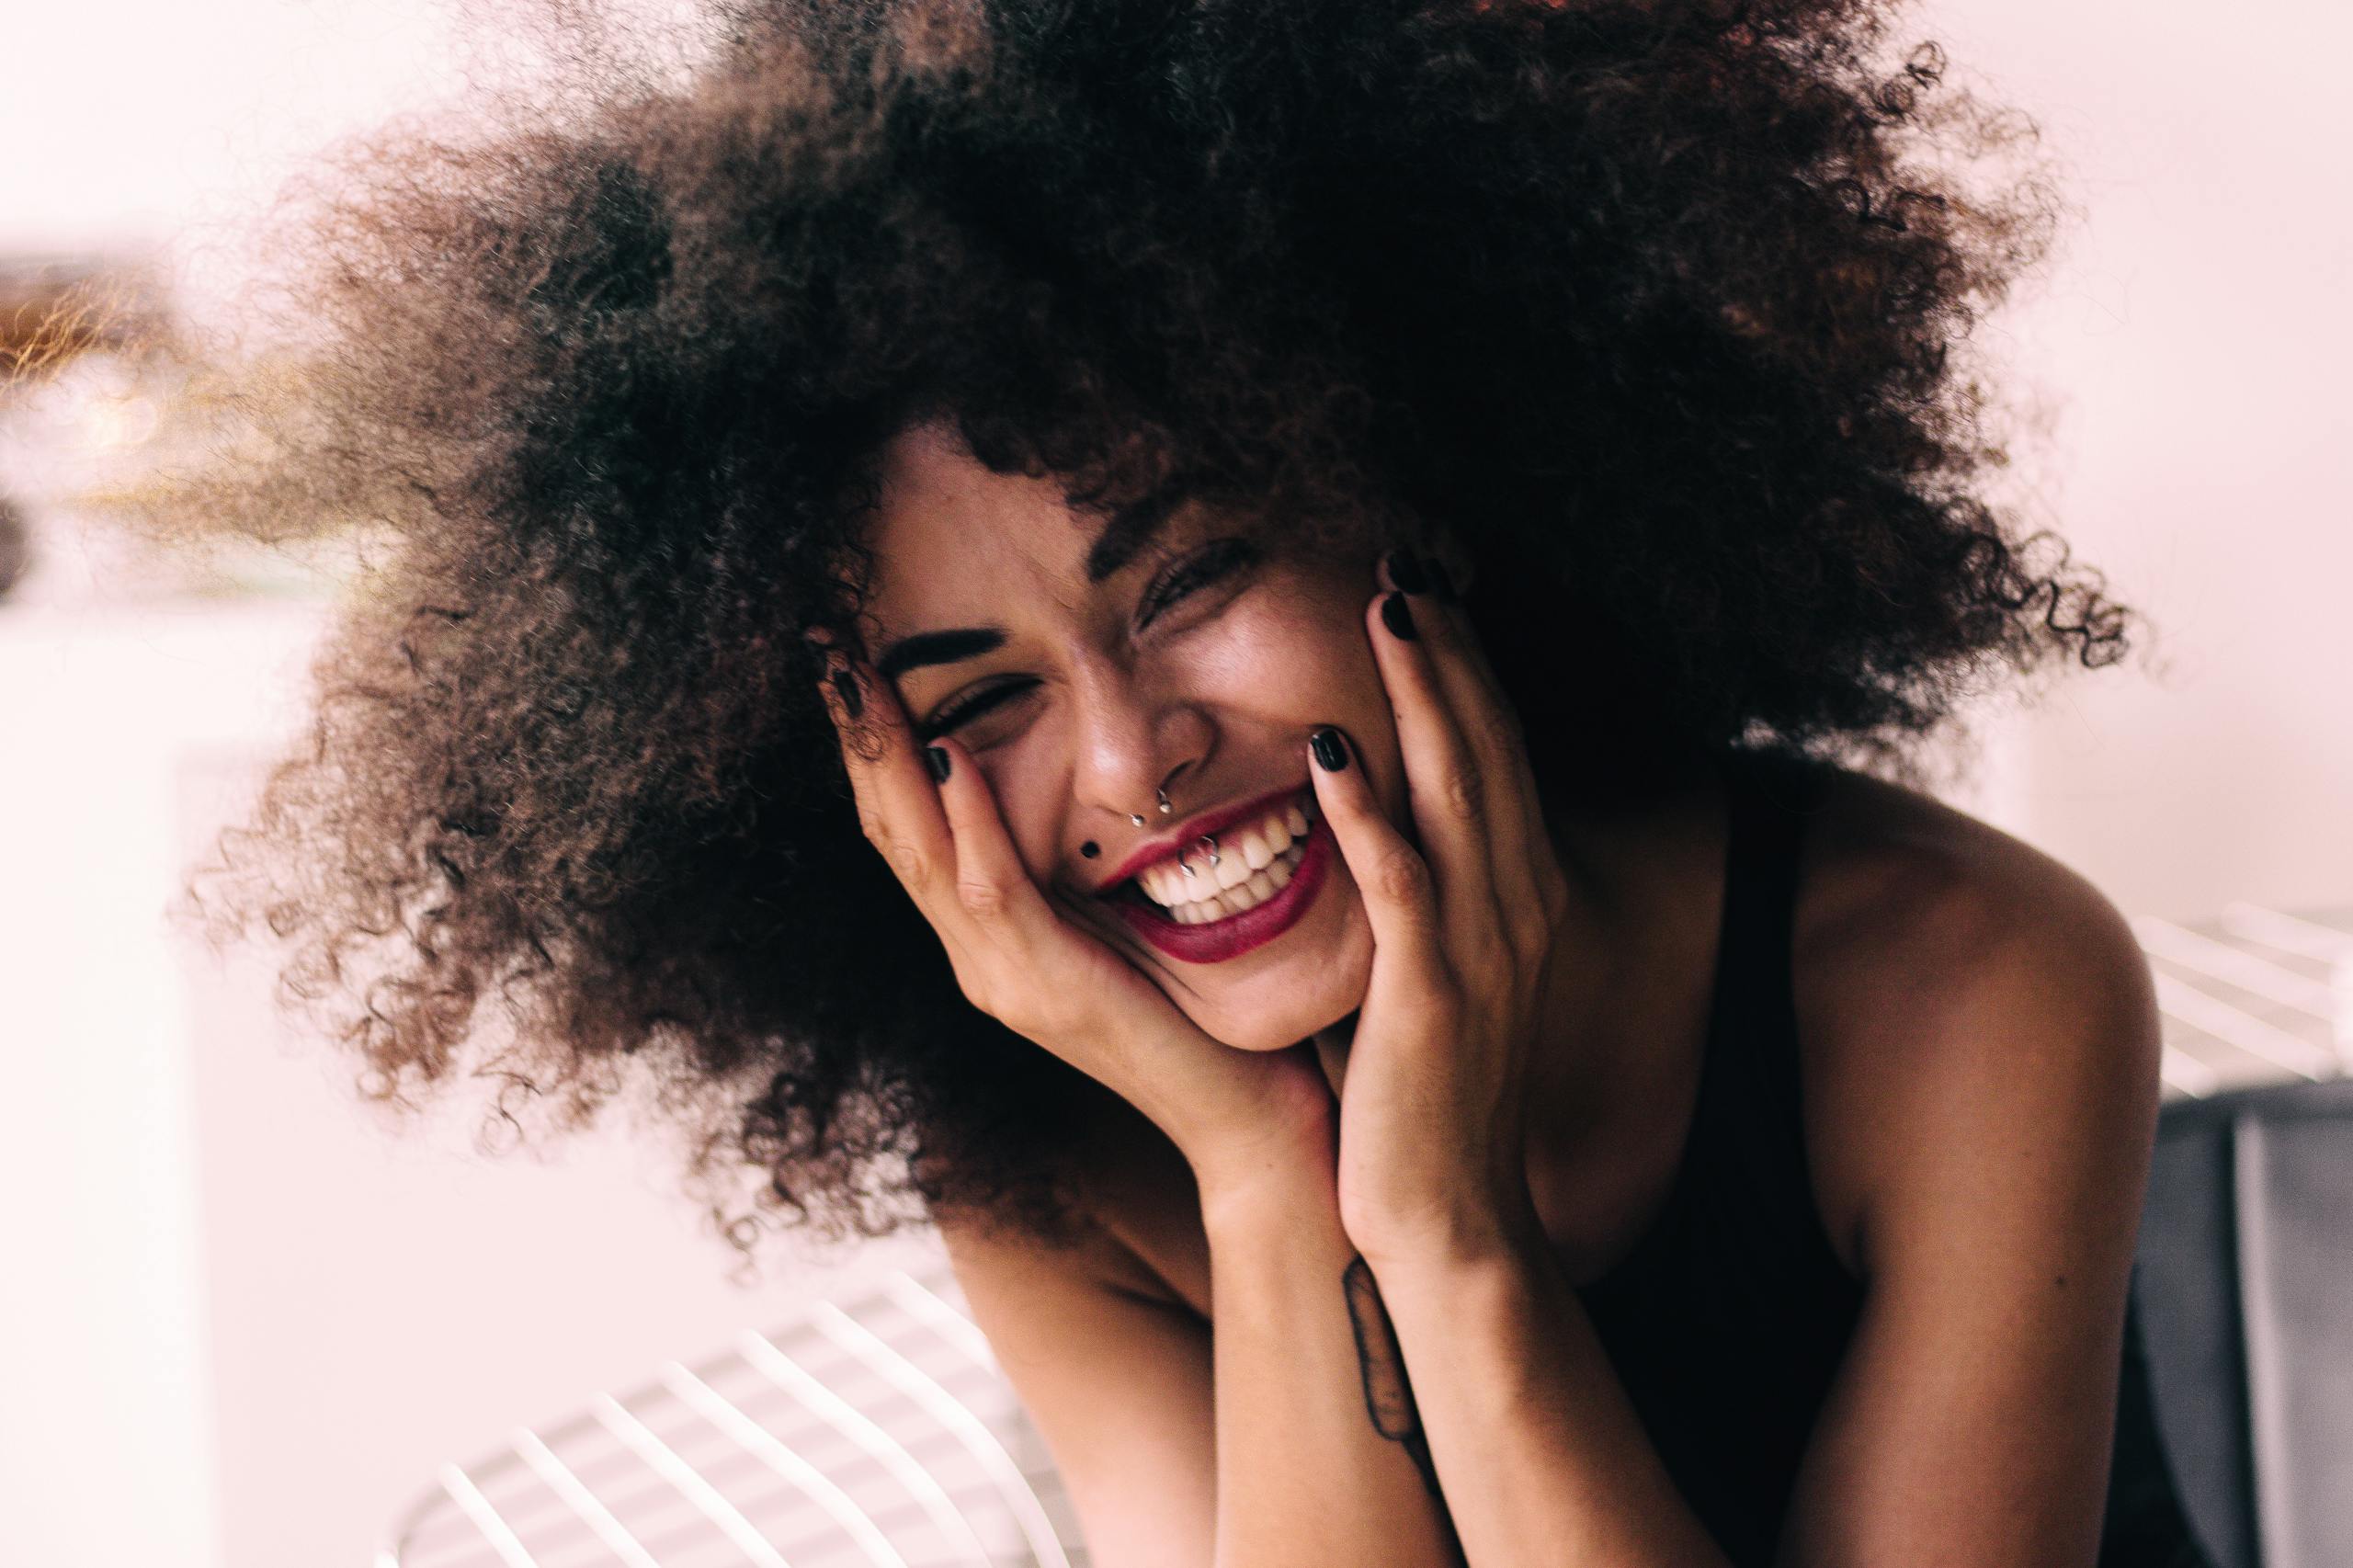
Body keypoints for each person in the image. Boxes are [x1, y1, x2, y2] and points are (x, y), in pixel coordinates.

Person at [151, 1, 2214, 1562]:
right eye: (976, 701)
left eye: (1193, 579)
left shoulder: (1960, 986)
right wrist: (1260, 1174)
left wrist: (1447, 1230)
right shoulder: (1058, 1163)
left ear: (1416, 500)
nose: (1131, 763)